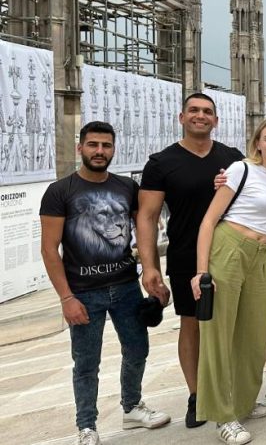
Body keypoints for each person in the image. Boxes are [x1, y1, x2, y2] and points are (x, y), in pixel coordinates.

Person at [40, 121, 171, 445]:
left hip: (126, 284)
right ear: (80, 147)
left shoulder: (127, 187)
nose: (100, 151)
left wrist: (151, 272)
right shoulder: (60, 192)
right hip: (84, 292)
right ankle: (87, 425)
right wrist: (66, 298)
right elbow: (49, 248)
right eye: (94, 145)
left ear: (114, 149)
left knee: (137, 349)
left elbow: (145, 231)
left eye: (106, 146)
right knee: (86, 362)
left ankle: (132, 407)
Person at [137, 93, 247, 428]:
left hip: (231, 252)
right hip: (186, 254)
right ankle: (197, 395)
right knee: (193, 324)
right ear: (181, 117)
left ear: (216, 120)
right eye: (194, 111)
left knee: (235, 324)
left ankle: (233, 391)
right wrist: (150, 266)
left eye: (207, 112)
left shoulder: (232, 158)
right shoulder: (161, 162)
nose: (201, 116)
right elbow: (146, 216)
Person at [191, 118, 266, 445]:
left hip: (261, 257)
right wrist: (201, 271)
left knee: (254, 332)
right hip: (230, 250)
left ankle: (243, 402)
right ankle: (223, 415)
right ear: (258, 143)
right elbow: (209, 221)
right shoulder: (239, 169)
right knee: (218, 335)